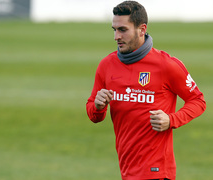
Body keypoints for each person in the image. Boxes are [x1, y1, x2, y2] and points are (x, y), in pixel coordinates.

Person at [86, 1, 206, 180]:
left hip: (157, 171)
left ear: (142, 29)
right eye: (114, 29)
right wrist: (98, 105)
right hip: (126, 170)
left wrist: (171, 119)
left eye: (123, 30)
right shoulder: (106, 65)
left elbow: (198, 101)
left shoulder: (167, 65)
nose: (116, 36)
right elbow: (94, 116)